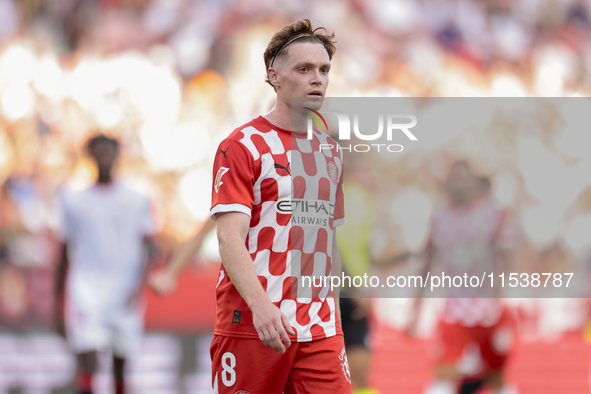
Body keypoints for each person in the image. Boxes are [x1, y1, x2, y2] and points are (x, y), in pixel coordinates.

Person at [208, 19, 351, 393]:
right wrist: (261, 307)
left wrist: (333, 314)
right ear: (274, 76)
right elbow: (229, 238)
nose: (316, 79)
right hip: (254, 323)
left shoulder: (330, 151)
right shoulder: (242, 146)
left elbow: (327, 241)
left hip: (319, 328)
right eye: (304, 69)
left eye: (323, 70)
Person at [55, 134, 158, 394]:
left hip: (124, 292)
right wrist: (58, 302)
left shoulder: (137, 199)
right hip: (85, 291)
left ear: (116, 154)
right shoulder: (73, 200)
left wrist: (138, 286)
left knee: (120, 364)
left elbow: (150, 246)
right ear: (90, 156)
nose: (103, 156)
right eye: (98, 151)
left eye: (108, 151)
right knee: (87, 360)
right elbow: (63, 252)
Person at [415, 161, 519, 394]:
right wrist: (416, 308)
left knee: (497, 377)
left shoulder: (495, 214)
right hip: (454, 310)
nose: (459, 182)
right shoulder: (439, 217)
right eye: (455, 177)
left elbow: (508, 253)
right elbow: (427, 261)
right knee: (444, 373)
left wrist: (500, 286)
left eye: (464, 177)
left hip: (489, 311)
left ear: (475, 182)